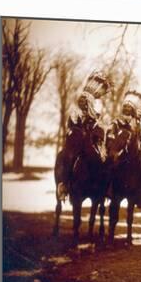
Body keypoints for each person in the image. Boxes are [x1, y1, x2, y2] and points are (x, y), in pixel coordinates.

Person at [56, 70, 112, 200]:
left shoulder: (96, 117)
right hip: (75, 144)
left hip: (90, 144)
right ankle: (65, 185)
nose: (81, 102)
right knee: (67, 158)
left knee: (102, 160)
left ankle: (103, 188)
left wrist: (95, 132)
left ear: (89, 102)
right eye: (80, 100)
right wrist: (76, 132)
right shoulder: (74, 115)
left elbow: (101, 130)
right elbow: (70, 127)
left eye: (84, 100)